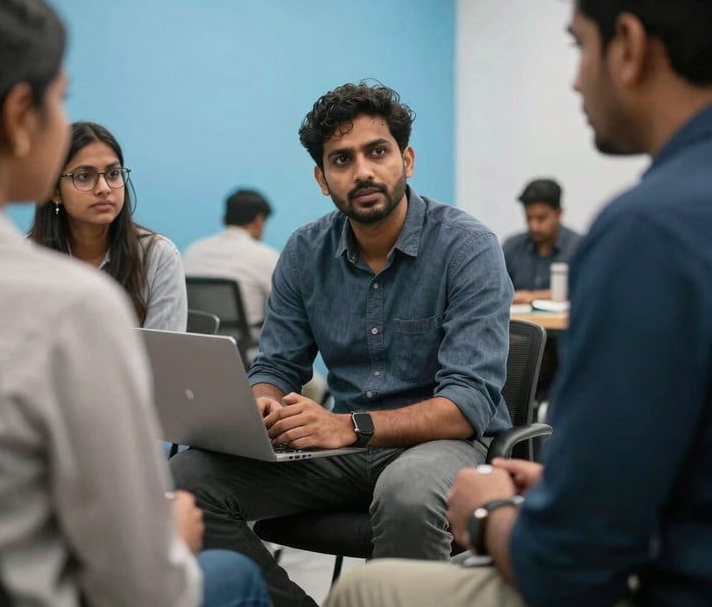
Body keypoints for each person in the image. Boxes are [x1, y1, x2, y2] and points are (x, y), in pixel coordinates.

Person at [324, 0, 712, 607]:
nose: (576, 79)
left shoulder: (645, 233)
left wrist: (484, 511)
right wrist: (572, 486)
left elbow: (570, 564)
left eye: (580, 45)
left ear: (628, 47)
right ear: (322, 177)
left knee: (367, 590)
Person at [0, 0, 270, 607]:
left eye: (114, 173)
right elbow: (141, 585)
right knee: (235, 575)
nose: (103, 187)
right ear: (19, 116)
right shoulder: (67, 305)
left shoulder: (153, 256)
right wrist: (173, 539)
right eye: (59, 97)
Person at [171, 81, 513, 607]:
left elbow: (466, 404)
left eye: (377, 152)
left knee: (407, 493)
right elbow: (276, 365)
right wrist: (262, 403)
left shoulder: (467, 247)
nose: (362, 172)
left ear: (406, 160)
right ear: (322, 178)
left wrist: (347, 426)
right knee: (188, 477)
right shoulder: (305, 251)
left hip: (445, 444)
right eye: (341, 159)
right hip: (345, 450)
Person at [30, 121, 187, 331]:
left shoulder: (158, 257)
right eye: (84, 176)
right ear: (55, 191)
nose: (104, 188)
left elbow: (164, 349)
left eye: (113, 174)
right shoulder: (26, 259)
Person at [183, 189, 279, 329]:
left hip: (197, 338)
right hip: (246, 340)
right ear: (259, 220)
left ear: (225, 218)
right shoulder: (267, 257)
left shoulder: (192, 251)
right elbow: (283, 307)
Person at [502, 178, 581, 304]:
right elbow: (495, 290)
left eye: (541, 218)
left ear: (559, 213)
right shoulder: (512, 247)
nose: (534, 226)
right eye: (529, 218)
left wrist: (533, 296)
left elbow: (587, 288)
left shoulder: (578, 247)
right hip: (518, 317)